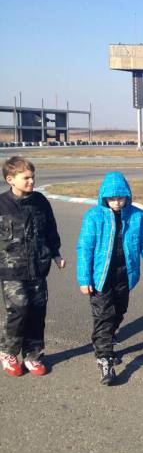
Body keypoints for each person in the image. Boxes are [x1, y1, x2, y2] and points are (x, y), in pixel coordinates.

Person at [76, 171, 143, 385]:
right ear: (104, 197)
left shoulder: (137, 216)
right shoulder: (94, 216)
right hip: (100, 276)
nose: (116, 202)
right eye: (112, 198)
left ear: (127, 196)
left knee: (119, 310)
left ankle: (105, 337)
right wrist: (84, 279)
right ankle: (105, 359)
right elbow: (85, 248)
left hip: (125, 273)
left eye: (121, 198)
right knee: (104, 315)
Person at [0, 156, 65, 377]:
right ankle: (8, 352)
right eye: (26, 177)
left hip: (38, 267)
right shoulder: (2, 204)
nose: (31, 181)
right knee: (19, 310)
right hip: (11, 270)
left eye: (33, 176)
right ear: (10, 179)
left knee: (38, 311)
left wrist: (55, 253)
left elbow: (50, 229)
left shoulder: (40, 201)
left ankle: (33, 355)